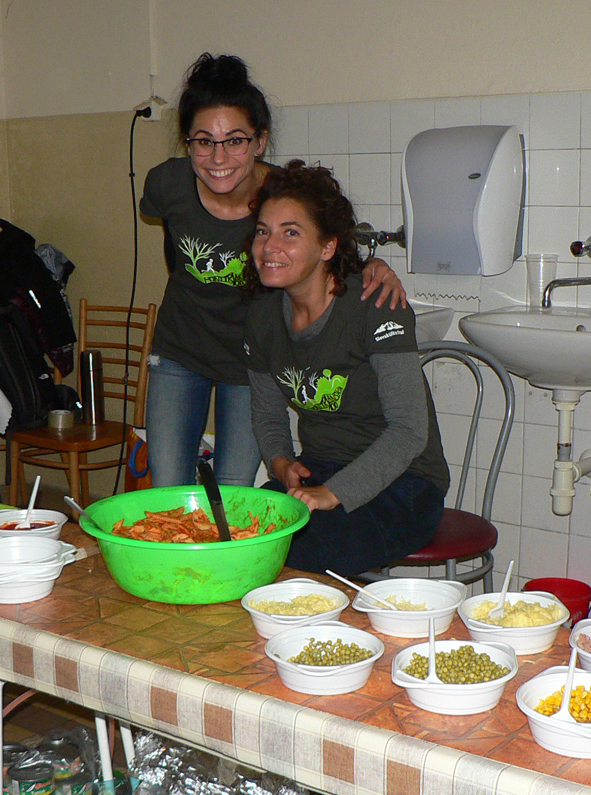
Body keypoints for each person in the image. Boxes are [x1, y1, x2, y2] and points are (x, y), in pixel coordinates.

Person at [141, 53, 405, 489]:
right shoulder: (166, 184)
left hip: (253, 361)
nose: (218, 157)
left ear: (260, 141)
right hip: (180, 350)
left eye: (235, 140)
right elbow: (175, 247)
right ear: (187, 142)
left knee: (234, 488)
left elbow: (328, 249)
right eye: (204, 141)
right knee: (167, 483)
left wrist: (374, 265)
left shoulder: (283, 196)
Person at [243, 161, 449, 576]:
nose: (269, 246)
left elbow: (409, 431)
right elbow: (267, 413)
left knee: (303, 546)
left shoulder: (375, 305)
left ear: (327, 247)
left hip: (407, 482)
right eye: (263, 231)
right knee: (243, 529)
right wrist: (281, 463)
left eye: (290, 233)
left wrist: (332, 494)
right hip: (320, 468)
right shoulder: (262, 317)